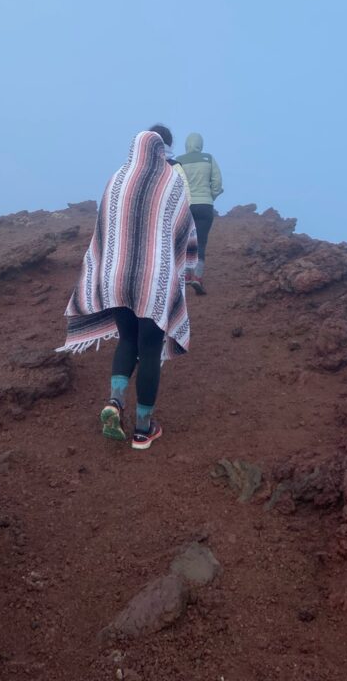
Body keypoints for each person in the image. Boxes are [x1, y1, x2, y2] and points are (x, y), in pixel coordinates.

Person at [58, 131, 198, 451]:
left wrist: (100, 268)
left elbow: (103, 230)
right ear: (161, 151)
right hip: (154, 282)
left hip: (115, 276)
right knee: (149, 350)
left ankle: (115, 403)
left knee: (127, 340)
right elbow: (185, 229)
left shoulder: (116, 180)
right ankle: (142, 430)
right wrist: (187, 269)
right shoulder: (171, 183)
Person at [175, 133, 223, 295]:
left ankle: (187, 275)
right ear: (200, 144)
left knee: (188, 241)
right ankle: (198, 277)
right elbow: (217, 182)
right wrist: (211, 195)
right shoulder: (208, 159)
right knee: (201, 242)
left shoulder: (179, 161)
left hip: (186, 206)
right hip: (205, 205)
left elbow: (175, 183)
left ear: (187, 144)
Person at [149, 123, 191, 202]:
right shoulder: (175, 166)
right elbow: (186, 194)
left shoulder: (139, 166)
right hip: (168, 212)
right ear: (170, 143)